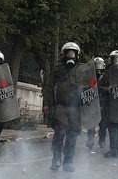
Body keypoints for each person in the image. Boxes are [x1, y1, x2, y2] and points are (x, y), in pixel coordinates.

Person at [42, 41, 83, 172]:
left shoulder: (82, 69)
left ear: (77, 54)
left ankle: (68, 162)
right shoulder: (57, 70)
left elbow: (91, 87)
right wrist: (46, 103)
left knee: (72, 135)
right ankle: (56, 159)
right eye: (68, 52)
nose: (70, 55)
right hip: (61, 106)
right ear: (63, 54)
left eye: (73, 53)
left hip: (76, 108)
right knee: (59, 132)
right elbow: (49, 87)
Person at [98, 50, 118, 158]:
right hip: (109, 104)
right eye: (115, 59)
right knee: (112, 127)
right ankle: (114, 149)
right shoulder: (106, 73)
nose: (116, 61)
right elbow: (98, 87)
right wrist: (107, 89)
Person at [87, 56, 107, 150]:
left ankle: (102, 141)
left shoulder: (105, 77)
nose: (98, 68)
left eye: (100, 65)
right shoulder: (89, 77)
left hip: (102, 102)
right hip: (92, 102)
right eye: (96, 65)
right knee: (91, 123)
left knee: (102, 124)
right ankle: (90, 140)